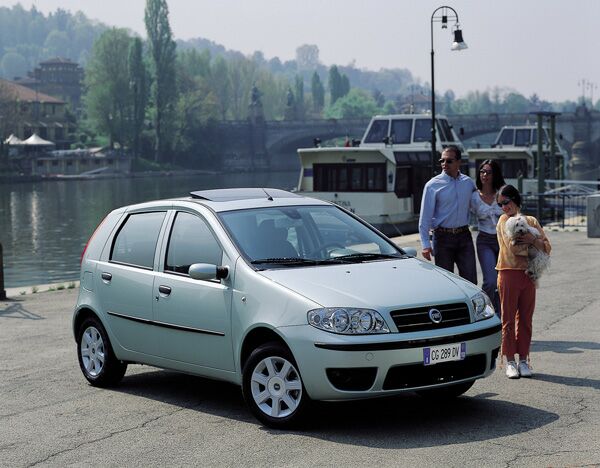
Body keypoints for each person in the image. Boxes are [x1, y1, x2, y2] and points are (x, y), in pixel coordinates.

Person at [496, 184, 551, 379]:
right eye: (500, 204)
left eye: (506, 202)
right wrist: (534, 242)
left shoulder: (531, 220)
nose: (503, 207)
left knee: (526, 320)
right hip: (508, 273)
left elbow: (547, 247)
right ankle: (510, 361)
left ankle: (524, 360)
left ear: (515, 200)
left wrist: (531, 240)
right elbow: (513, 249)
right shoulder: (503, 221)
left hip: (529, 276)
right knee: (508, 320)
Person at [419, 145, 477, 284]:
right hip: (442, 238)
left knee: (470, 281)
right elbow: (425, 217)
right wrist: (425, 244)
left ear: (459, 162)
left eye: (449, 161)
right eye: (442, 161)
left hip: (464, 236)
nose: (444, 164)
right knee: (446, 282)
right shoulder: (432, 185)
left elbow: (477, 206)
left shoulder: (468, 183)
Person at [471, 160, 505, 314]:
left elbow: (515, 213)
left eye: (489, 172)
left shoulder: (503, 193)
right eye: (482, 172)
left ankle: (502, 314)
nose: (484, 175)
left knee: (503, 281)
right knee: (490, 281)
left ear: (495, 175)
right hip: (485, 240)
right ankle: (487, 311)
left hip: (503, 240)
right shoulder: (474, 197)